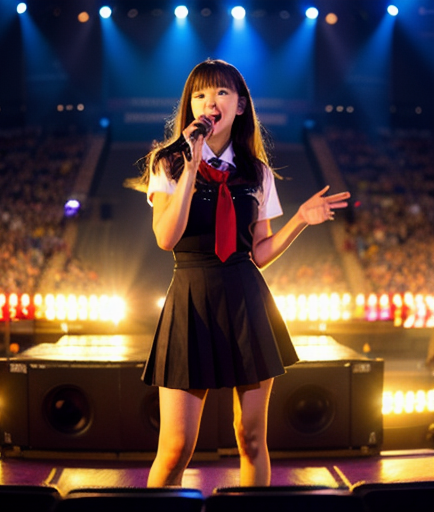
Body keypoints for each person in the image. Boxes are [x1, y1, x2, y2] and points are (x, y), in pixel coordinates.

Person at [128, 59, 350, 488]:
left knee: (250, 439)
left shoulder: (257, 172)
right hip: (191, 299)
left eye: (222, 93)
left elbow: (259, 252)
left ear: (241, 105)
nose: (210, 102)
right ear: (190, 107)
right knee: (175, 448)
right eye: (200, 94)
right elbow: (166, 239)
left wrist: (300, 219)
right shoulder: (168, 163)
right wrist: (191, 165)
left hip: (247, 300)